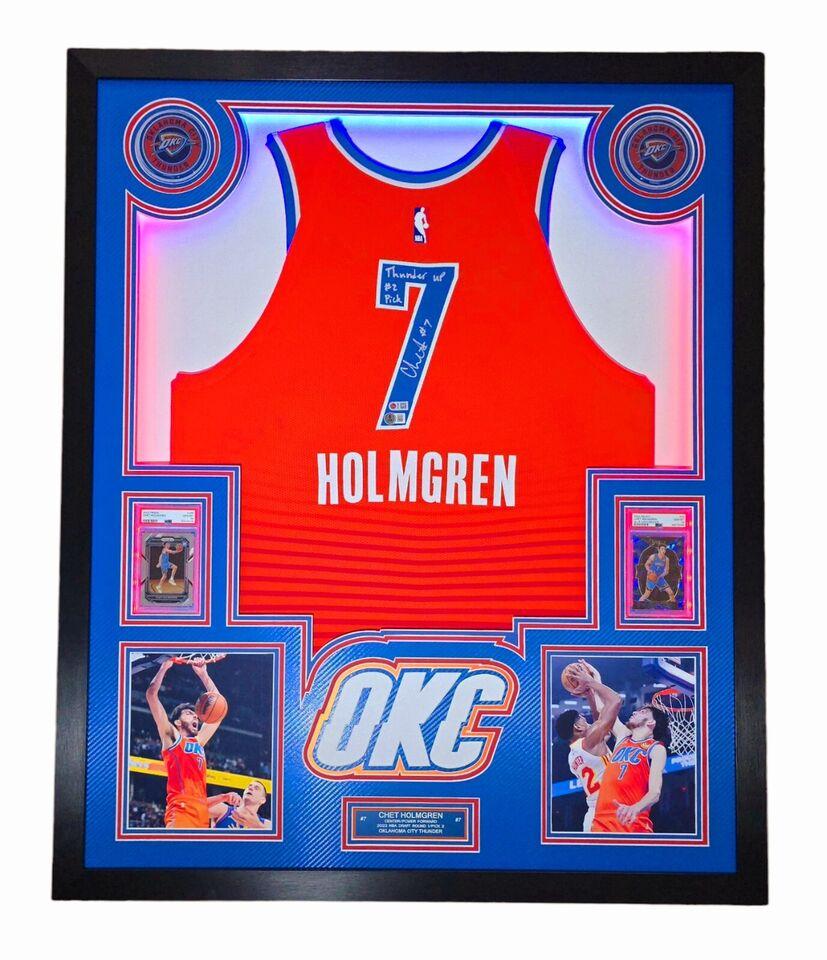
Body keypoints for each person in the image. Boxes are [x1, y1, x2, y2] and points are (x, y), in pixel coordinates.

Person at [145, 656, 233, 829]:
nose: (195, 716)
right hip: (180, 811)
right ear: (178, 722)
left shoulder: (198, 741)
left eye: (195, 715)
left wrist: (203, 675)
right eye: (188, 713)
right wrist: (163, 668)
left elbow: (219, 708)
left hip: (202, 814)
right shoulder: (171, 738)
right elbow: (151, 695)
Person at [555, 661, 623, 830]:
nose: (586, 719)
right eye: (582, 719)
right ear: (577, 727)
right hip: (607, 813)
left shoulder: (573, 754)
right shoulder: (590, 741)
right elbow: (615, 701)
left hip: (594, 814)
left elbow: (600, 725)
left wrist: (590, 694)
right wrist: (591, 681)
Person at [590, 699, 670, 833]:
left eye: (642, 712)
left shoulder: (656, 749)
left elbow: (655, 793)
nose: (634, 712)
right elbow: (604, 709)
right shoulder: (623, 737)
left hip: (631, 823)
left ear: (651, 722)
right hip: (601, 822)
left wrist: (635, 808)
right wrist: (592, 687)